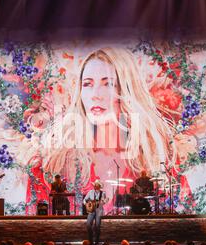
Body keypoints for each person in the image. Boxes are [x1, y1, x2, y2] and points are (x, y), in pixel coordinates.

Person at [42, 48, 180, 214]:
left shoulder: (157, 155)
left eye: (108, 84)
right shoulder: (58, 158)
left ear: (127, 90)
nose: (95, 95)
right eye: (87, 84)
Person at [83, 180, 109, 245]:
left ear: (99, 186)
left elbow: (106, 200)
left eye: (97, 185)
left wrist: (104, 202)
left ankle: (97, 241)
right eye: (95, 185)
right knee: (88, 225)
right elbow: (84, 200)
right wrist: (87, 204)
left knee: (97, 226)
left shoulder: (102, 193)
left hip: (99, 210)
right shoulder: (90, 192)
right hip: (91, 211)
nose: (95, 186)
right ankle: (90, 241)